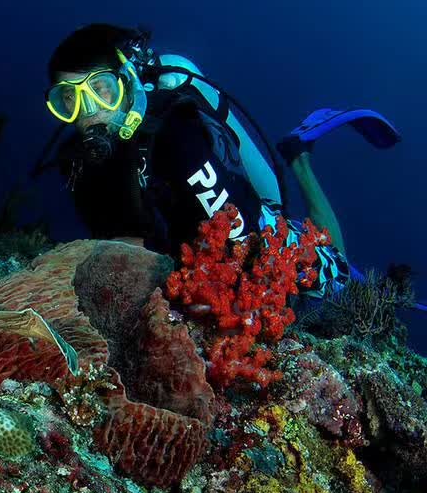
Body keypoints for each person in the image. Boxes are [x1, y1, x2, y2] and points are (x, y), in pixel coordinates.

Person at [36, 23, 353, 297]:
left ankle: (299, 159)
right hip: (183, 256)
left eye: (100, 89)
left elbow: (242, 236)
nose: (90, 112)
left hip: (249, 222)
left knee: (337, 278)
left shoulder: (176, 136)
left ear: (125, 81)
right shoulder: (79, 166)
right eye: (69, 99)